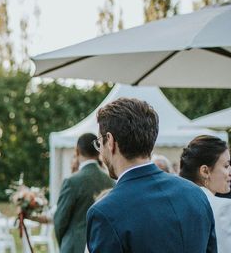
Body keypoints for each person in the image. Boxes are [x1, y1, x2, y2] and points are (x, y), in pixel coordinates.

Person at [86, 97, 217, 253]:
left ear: (110, 141)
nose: (100, 151)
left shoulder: (105, 212)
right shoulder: (196, 194)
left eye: (99, 142)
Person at [53, 133, 114, 253]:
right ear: (98, 150)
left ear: (77, 150)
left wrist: (64, 242)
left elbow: (60, 220)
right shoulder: (110, 181)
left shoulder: (72, 182)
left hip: (74, 246)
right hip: (101, 244)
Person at [180, 135, 231, 253]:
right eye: (226, 166)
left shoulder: (177, 201)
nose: (230, 172)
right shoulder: (222, 208)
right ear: (205, 171)